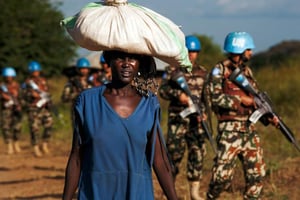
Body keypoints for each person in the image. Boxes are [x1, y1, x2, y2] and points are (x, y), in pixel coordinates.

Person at [62, 50, 178, 200]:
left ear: (140, 64)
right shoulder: (87, 101)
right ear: (109, 60)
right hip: (96, 193)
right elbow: (77, 157)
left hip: (137, 194)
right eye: (120, 58)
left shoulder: (149, 104)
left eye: (133, 59)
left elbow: (160, 160)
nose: (126, 64)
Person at [206, 31, 279, 199]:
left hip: (249, 130)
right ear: (239, 49)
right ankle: (210, 196)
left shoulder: (247, 72)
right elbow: (214, 98)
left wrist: (269, 117)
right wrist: (240, 99)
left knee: (257, 175)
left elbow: (256, 102)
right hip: (229, 131)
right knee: (221, 178)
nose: (251, 53)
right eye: (248, 49)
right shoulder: (219, 70)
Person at [159, 35, 208, 200]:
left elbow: (206, 96)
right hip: (178, 119)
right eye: (189, 51)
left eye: (194, 52)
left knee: (197, 153)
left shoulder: (203, 72)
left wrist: (205, 113)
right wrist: (178, 95)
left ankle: (194, 192)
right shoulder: (172, 70)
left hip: (197, 120)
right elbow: (163, 90)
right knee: (174, 154)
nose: (192, 55)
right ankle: (169, 192)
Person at [23, 61, 54, 157]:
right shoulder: (27, 83)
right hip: (34, 109)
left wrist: (49, 101)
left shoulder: (43, 81)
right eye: (34, 71)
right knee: (35, 128)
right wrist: (31, 95)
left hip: (44, 108)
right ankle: (36, 148)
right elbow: (23, 95)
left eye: (37, 71)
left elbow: (47, 92)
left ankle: (44, 145)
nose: (36, 73)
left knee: (49, 123)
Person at [0, 67, 23, 154]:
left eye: (10, 76)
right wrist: (3, 96)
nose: (8, 78)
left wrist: (20, 105)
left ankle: (16, 143)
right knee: (6, 128)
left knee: (17, 127)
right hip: (6, 110)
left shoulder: (17, 86)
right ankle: (9, 145)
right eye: (6, 76)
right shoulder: (2, 86)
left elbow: (22, 98)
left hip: (16, 110)